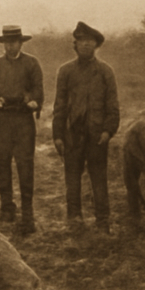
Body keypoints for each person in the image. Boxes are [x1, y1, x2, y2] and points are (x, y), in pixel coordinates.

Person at [51, 21, 120, 232]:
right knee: (72, 179)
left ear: (96, 45)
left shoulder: (105, 72)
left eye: (90, 42)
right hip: (73, 134)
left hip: (97, 135)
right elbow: (59, 106)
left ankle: (103, 221)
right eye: (81, 41)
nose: (86, 45)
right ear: (76, 45)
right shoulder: (65, 71)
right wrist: (58, 135)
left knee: (99, 178)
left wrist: (108, 131)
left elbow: (113, 106)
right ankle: (74, 219)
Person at [0, 25, 44, 234]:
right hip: (1, 121)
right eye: (7, 43)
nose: (10, 46)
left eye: (14, 42)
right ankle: (7, 208)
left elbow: (38, 90)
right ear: (3, 44)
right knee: (2, 164)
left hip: (23, 120)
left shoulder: (32, 63)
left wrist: (33, 101)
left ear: (20, 43)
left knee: (25, 166)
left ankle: (27, 213)